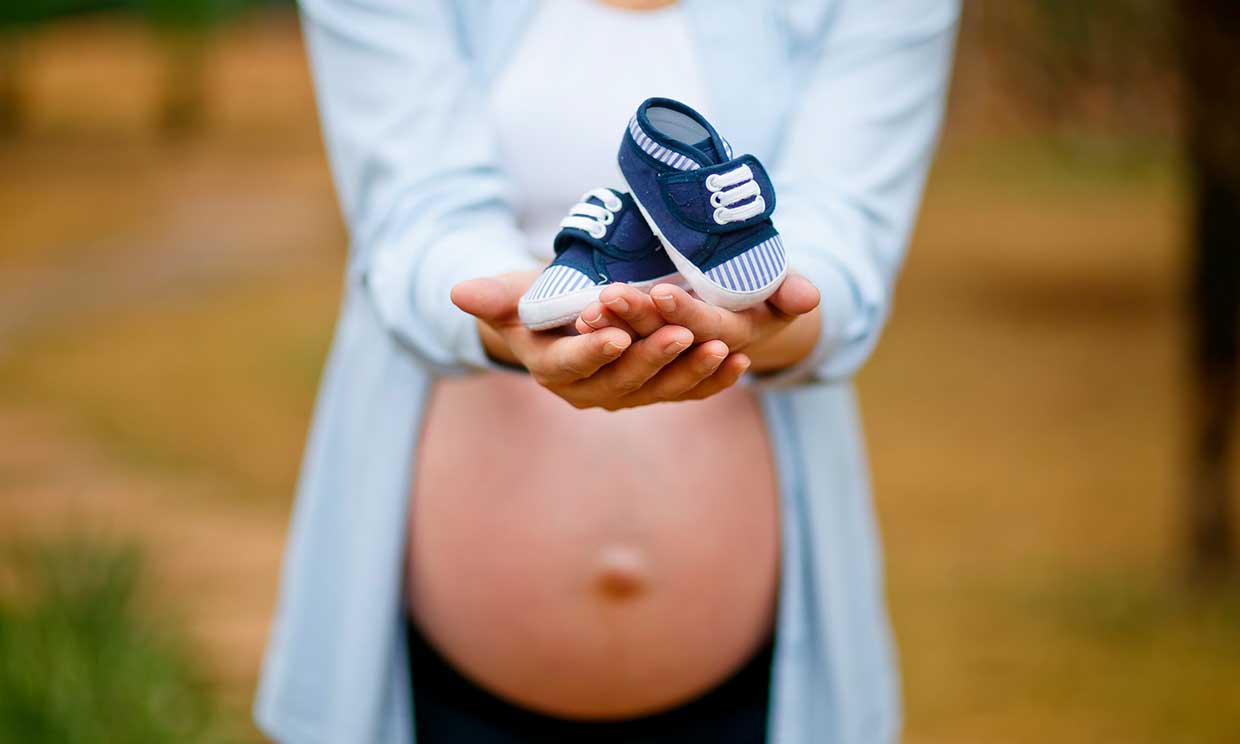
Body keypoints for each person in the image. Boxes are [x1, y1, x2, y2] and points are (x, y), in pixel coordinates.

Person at [255, 1, 959, 743]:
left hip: (755, 685)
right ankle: (601, 254)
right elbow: (415, 217)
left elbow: (843, 237)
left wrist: (763, 317)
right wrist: (509, 317)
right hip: (434, 673)